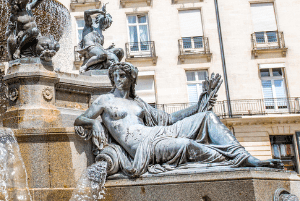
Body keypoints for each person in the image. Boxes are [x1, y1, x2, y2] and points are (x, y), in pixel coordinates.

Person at [74, 62, 281, 177]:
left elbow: (170, 119)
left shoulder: (139, 104)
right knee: (185, 144)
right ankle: (236, 162)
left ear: (131, 79)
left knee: (206, 117)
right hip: (142, 147)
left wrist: (201, 102)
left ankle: (245, 157)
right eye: (115, 76)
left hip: (158, 133)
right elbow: (80, 119)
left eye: (123, 76)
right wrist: (93, 122)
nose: (118, 80)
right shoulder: (104, 100)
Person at [77, 6, 123, 73]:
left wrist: (107, 49)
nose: (105, 26)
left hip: (99, 51)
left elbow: (99, 49)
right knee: (102, 55)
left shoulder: (101, 36)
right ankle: (85, 66)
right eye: (105, 22)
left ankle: (116, 71)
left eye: (107, 25)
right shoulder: (89, 26)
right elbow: (86, 13)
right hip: (90, 48)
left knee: (119, 51)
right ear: (100, 20)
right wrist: (99, 11)